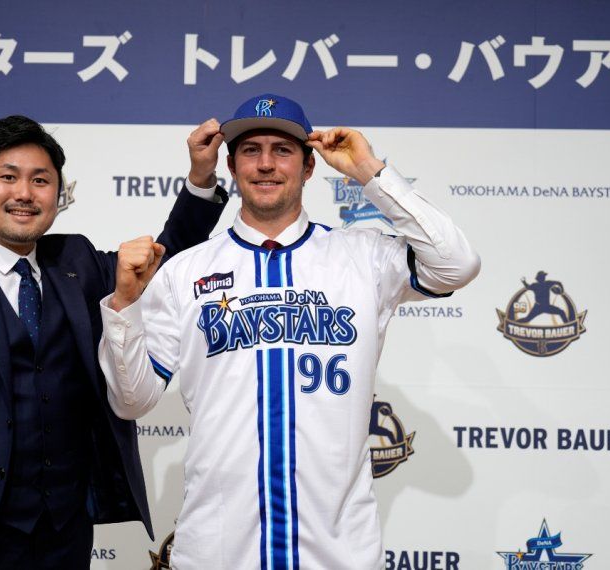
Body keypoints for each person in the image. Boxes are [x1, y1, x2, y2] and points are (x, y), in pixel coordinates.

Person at [98, 94, 481, 569]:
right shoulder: (185, 270)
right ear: (232, 166)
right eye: (251, 150)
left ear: (308, 167)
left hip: (338, 554)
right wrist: (124, 307)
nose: (265, 164)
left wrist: (369, 171)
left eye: (282, 150)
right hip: (218, 553)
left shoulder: (361, 256)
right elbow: (131, 401)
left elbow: (456, 264)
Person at [0, 115, 226, 570]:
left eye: (40, 180)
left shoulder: (77, 262)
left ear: (58, 195)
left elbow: (167, 259)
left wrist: (199, 179)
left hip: (64, 531)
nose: (24, 193)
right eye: (7, 177)